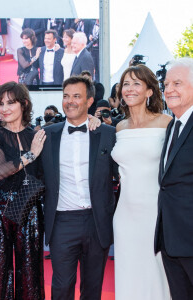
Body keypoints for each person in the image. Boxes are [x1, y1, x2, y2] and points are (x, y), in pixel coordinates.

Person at [40, 75, 118, 300]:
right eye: (66, 96)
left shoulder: (107, 135)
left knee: (92, 288)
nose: (70, 101)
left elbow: (121, 172)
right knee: (62, 287)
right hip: (62, 221)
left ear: (89, 101)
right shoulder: (47, 135)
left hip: (97, 221)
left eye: (76, 96)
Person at [111, 64, 172, 300]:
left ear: (149, 91)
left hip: (157, 212)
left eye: (137, 83)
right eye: (126, 83)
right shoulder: (119, 127)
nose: (129, 88)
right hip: (125, 214)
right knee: (129, 272)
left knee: (157, 272)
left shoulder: (166, 122)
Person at [0, 81, 46, 299]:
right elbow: (1, 171)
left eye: (10, 102)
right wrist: (31, 155)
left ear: (24, 104)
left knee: (31, 271)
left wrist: (93, 118)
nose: (4, 108)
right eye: (0, 103)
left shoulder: (36, 136)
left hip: (29, 209)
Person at [154, 57, 193, 300]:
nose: (169, 89)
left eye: (177, 83)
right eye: (166, 84)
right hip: (170, 240)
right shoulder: (172, 126)